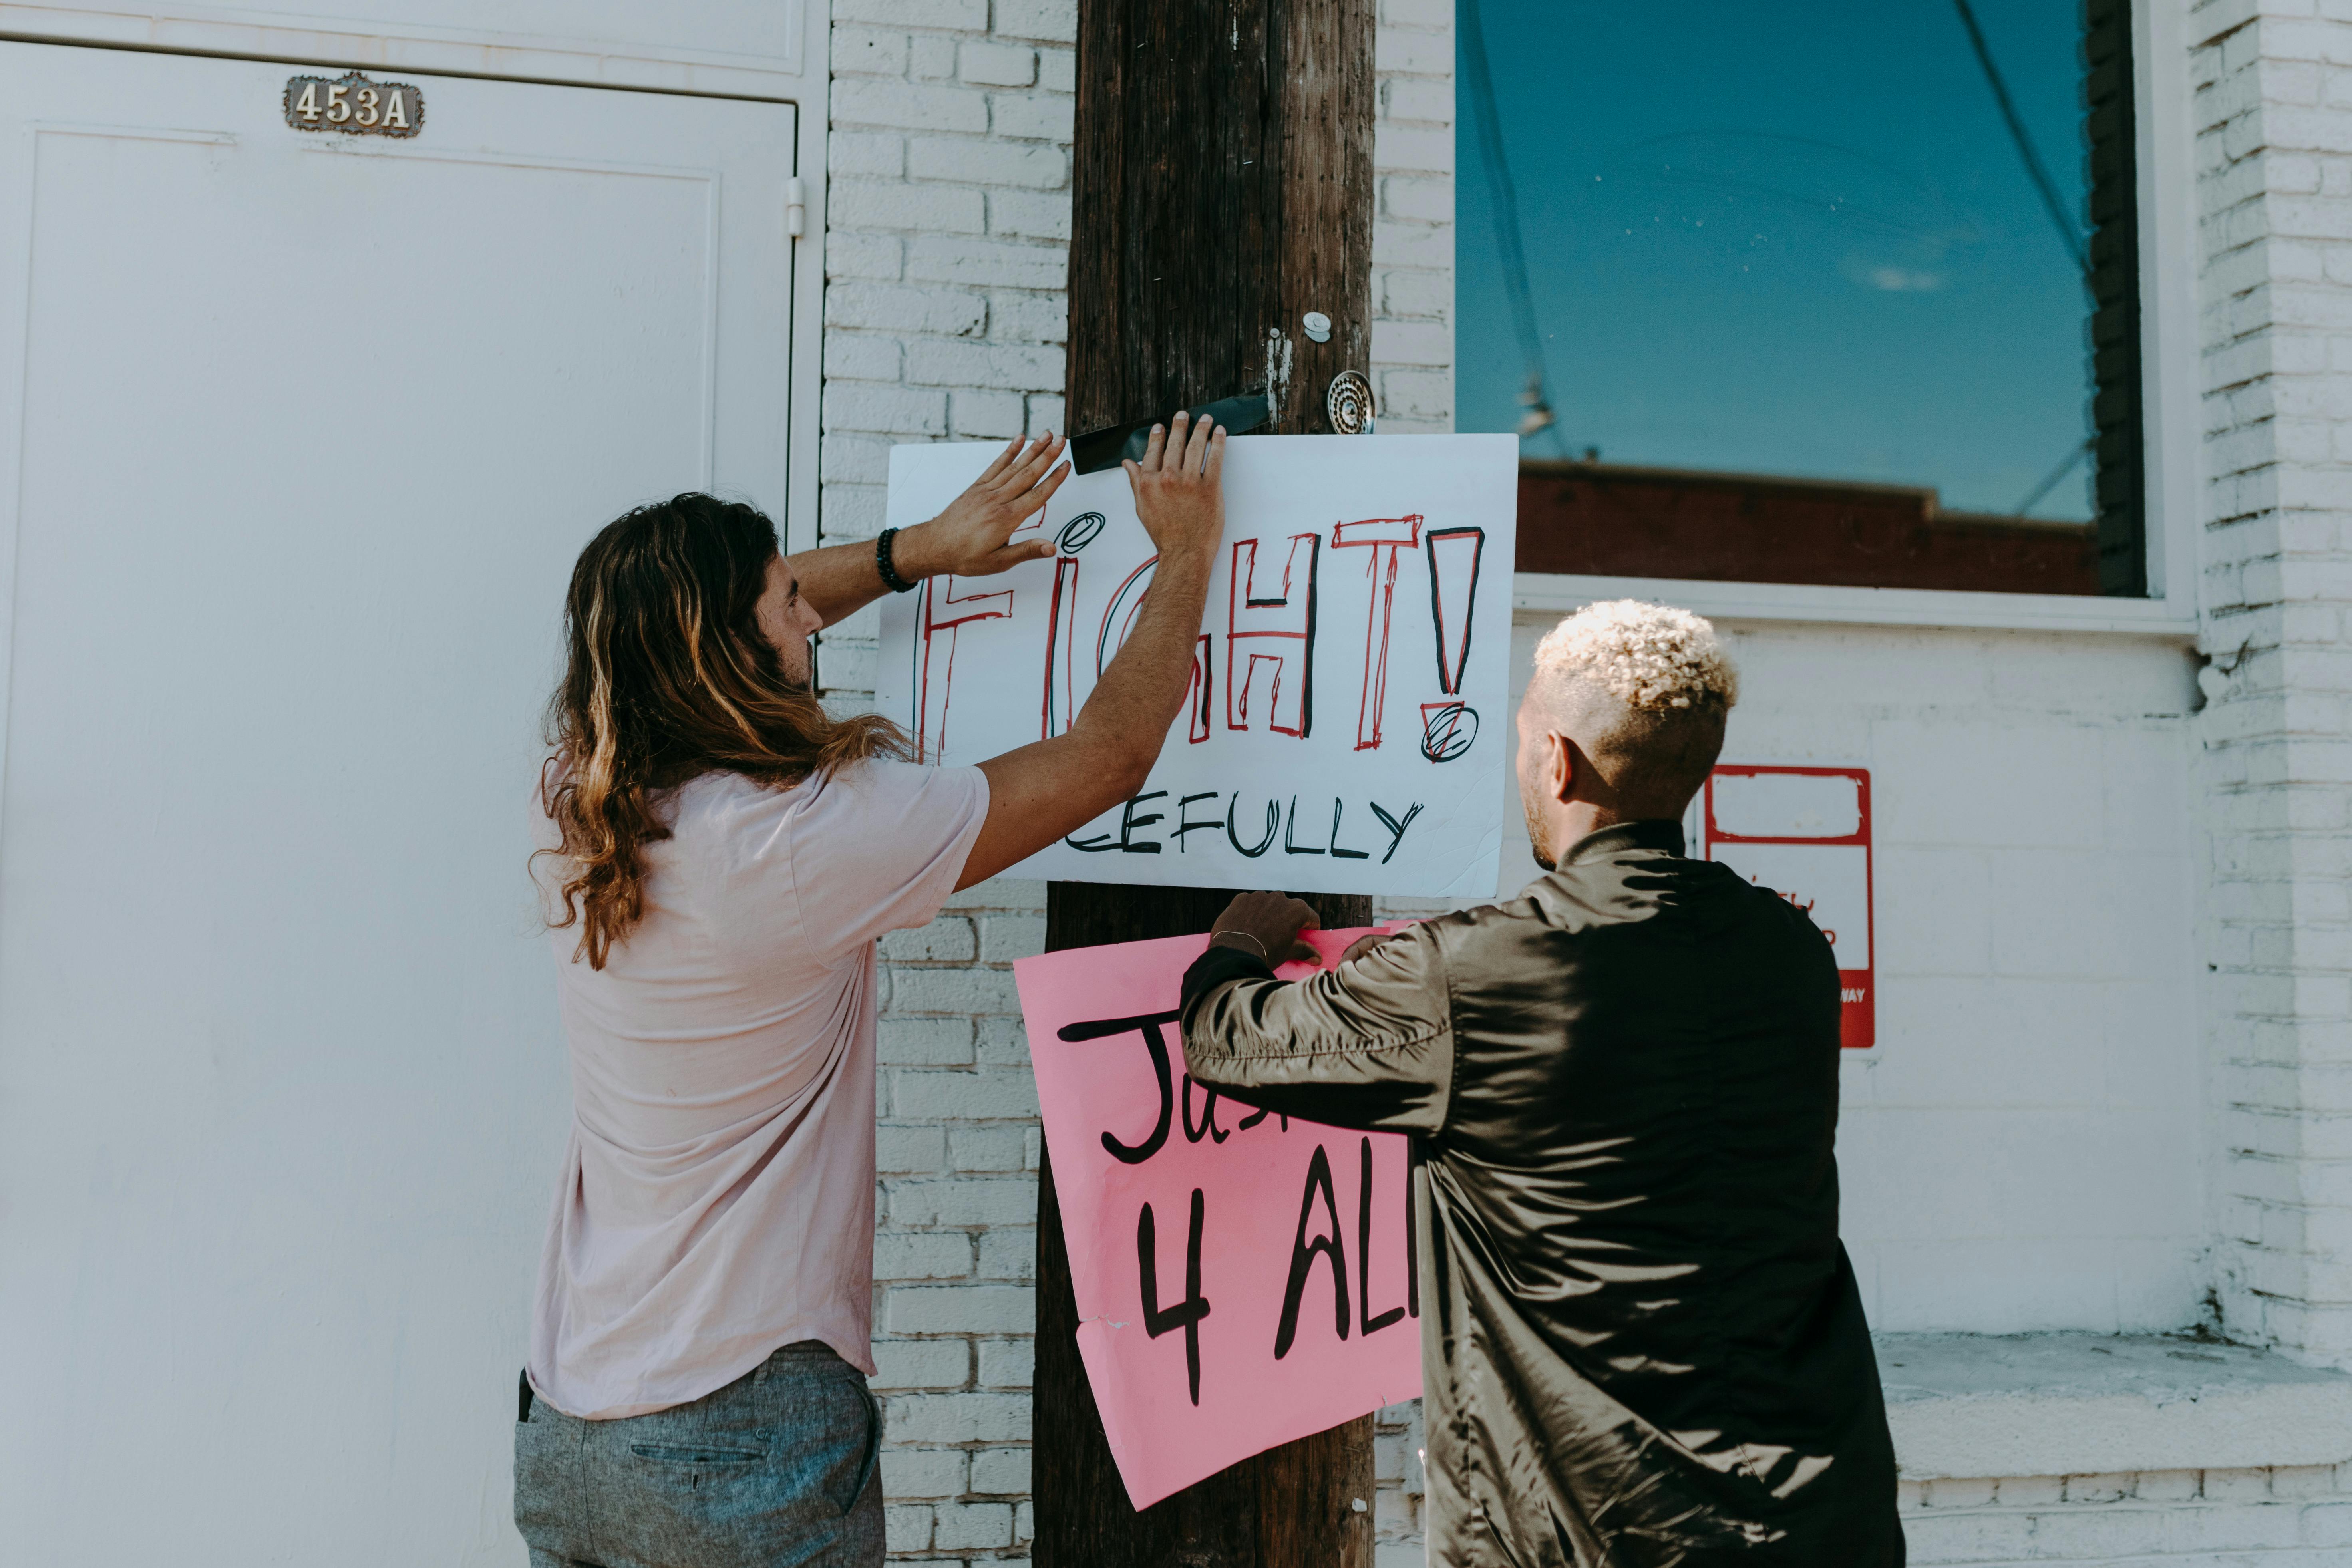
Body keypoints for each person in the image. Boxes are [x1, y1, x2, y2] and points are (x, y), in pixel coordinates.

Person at [514, 415, 1227, 1567]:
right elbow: (1110, 756)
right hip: (739, 1432)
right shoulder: (799, 844)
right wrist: (1188, 548)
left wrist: (918, 552)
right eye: (788, 605)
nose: (812, 615)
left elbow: (743, 622)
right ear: (726, 654)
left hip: (572, 1428)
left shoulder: (583, 796)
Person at [1179, 600, 1904, 1568]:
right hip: (1820, 1512)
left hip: (1588, 1525)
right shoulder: (1792, 953)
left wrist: (1235, 947)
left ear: (1556, 760)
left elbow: (1226, 1043)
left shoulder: (1470, 971)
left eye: (1520, 737)